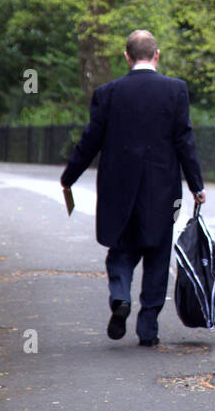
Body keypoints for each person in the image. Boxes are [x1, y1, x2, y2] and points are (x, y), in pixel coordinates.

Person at [61, 30, 205, 347]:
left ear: (127, 57)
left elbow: (90, 141)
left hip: (118, 189)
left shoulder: (108, 93)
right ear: (157, 55)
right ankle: (148, 328)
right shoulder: (175, 90)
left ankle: (120, 297)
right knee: (156, 254)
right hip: (162, 190)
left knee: (121, 252)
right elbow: (185, 142)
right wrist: (196, 185)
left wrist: (69, 177)